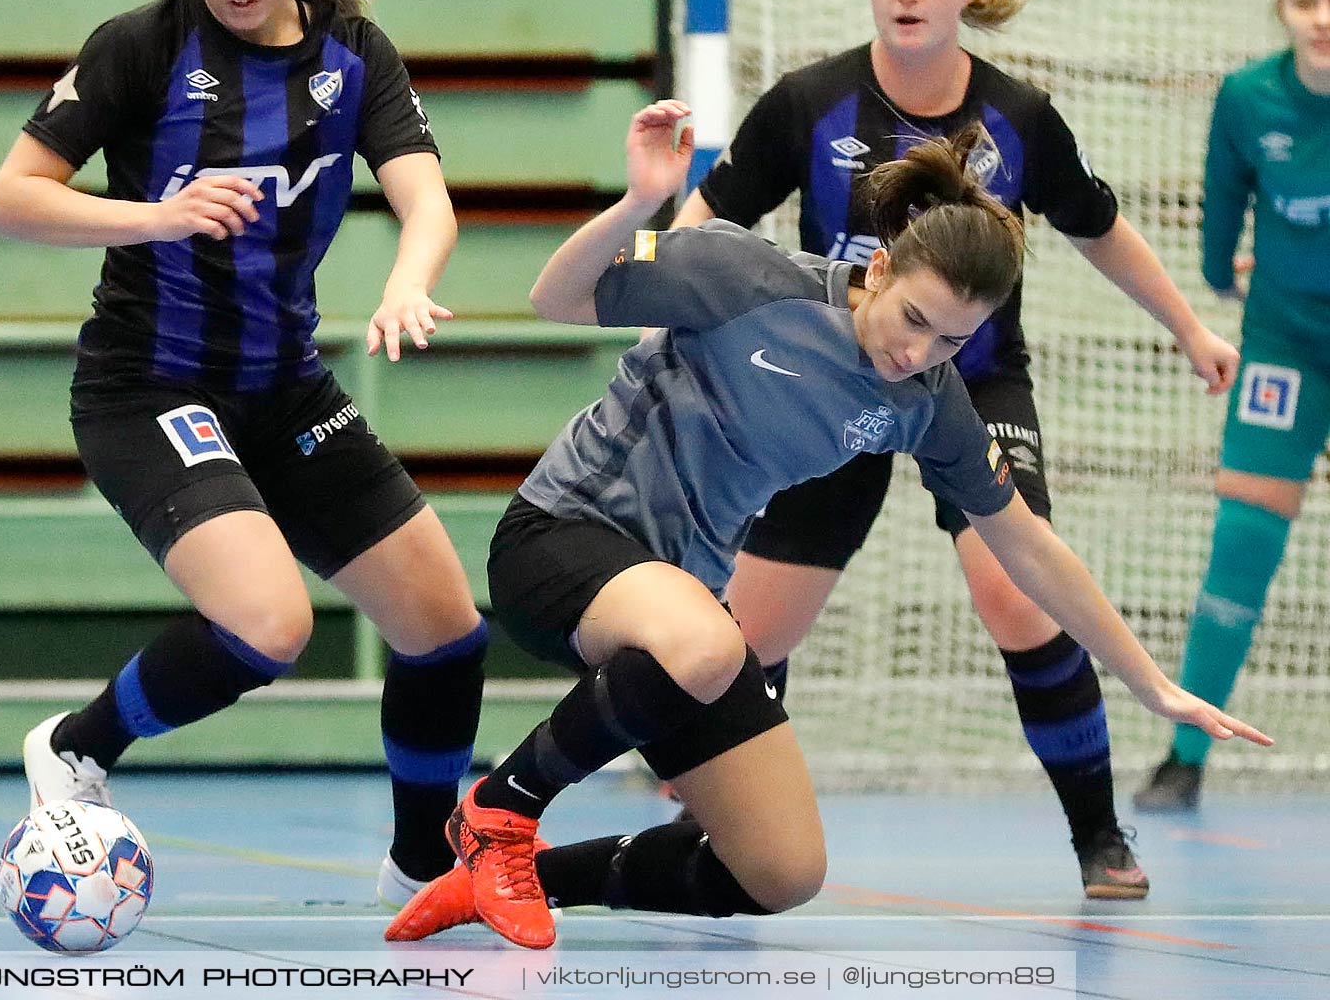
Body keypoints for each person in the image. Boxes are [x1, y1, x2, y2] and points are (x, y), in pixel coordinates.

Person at [382, 102, 1269, 950]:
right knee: (711, 644)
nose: (917, 354)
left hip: (674, 612)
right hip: (560, 539)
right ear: (879, 270)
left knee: (777, 870)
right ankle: (500, 812)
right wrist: (638, 204)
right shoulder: (744, 275)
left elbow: (1030, 549)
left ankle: (524, 877)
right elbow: (555, 298)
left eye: (952, 342)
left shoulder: (927, 401)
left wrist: (1151, 684)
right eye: (915, 319)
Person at [667, 0, 1242, 898]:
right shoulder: (809, 104)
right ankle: (725, 817)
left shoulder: (1017, 117)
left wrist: (1188, 327)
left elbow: (1098, 228)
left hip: (969, 388)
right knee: (745, 637)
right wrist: (661, 302)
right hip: (832, 383)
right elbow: (705, 216)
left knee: (1017, 595)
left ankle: (1099, 836)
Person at [0, 0, 487, 906]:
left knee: (443, 627)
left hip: (286, 390)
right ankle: (75, 747)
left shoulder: (354, 55)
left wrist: (408, 280)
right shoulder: (142, 47)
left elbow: (425, 196)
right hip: (150, 387)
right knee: (271, 625)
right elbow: (10, 199)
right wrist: (156, 215)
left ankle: (421, 862)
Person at [1135, 0, 1330, 811]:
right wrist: (1218, 271)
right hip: (1284, 344)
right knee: (1240, 548)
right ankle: (1184, 757)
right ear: (1281, 10)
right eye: (1303, 0)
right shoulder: (1248, 97)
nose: (1321, 16)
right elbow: (1221, 203)